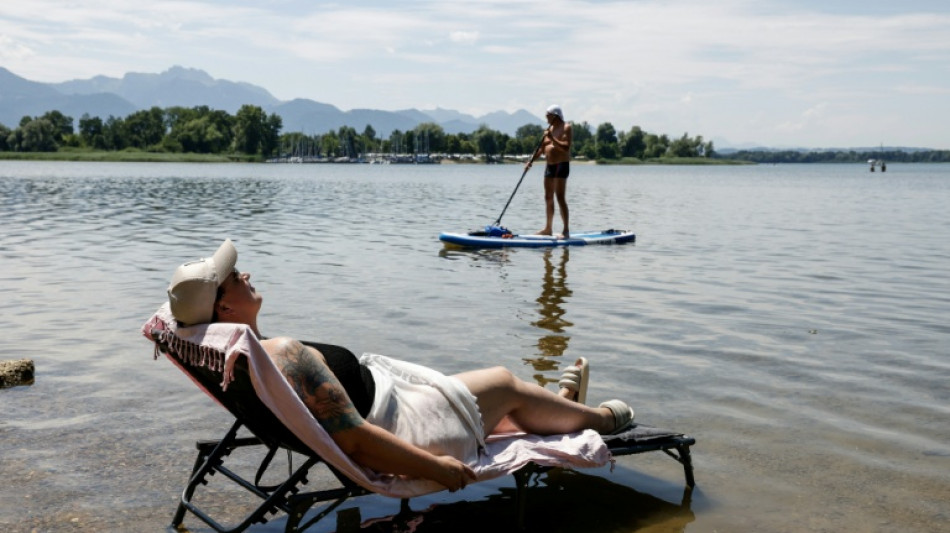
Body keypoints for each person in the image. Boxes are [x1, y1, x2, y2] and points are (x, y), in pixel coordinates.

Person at [166, 239, 634, 492]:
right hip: (405, 431)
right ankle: (599, 419)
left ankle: (559, 405)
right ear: (224, 309)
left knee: (486, 390)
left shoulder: (229, 355)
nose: (245, 274)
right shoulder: (282, 355)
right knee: (504, 383)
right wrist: (441, 470)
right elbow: (356, 441)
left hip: (399, 405)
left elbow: (171, 318)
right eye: (235, 276)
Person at [525, 104, 573, 238]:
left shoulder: (566, 127)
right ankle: (548, 228)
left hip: (561, 165)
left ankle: (566, 230)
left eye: (548, 116)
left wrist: (552, 138)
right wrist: (530, 161)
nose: (546, 118)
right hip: (549, 166)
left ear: (555, 116)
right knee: (548, 197)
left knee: (560, 197)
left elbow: (566, 147)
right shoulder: (548, 130)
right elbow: (540, 149)